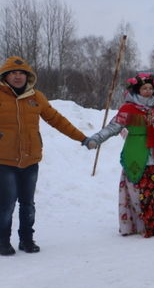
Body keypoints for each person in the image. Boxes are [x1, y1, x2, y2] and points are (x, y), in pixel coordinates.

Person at [0, 56, 88, 255]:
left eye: (21, 73)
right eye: (13, 73)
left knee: (28, 204)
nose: (17, 76)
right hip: (4, 160)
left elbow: (57, 120)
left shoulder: (36, 97)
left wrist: (81, 138)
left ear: (28, 76)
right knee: (6, 204)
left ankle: (26, 239)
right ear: (5, 76)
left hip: (30, 159)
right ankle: (2, 240)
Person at [84, 72, 154, 237]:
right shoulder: (128, 109)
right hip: (136, 155)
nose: (148, 91)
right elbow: (112, 128)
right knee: (137, 191)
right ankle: (138, 225)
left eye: (150, 88)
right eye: (144, 88)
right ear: (137, 90)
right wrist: (96, 139)